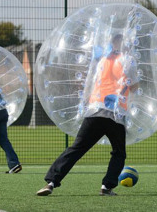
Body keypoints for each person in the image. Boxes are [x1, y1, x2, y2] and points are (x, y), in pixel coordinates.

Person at [36, 34, 138, 196]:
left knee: (77, 148)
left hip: (95, 109)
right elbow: (132, 86)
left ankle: (51, 182)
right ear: (123, 44)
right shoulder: (128, 60)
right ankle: (107, 187)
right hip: (115, 113)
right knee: (119, 152)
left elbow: (91, 83)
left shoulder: (102, 60)